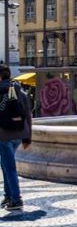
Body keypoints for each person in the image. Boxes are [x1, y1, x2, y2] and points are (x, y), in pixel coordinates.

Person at [0, 65, 32, 212]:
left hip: (4, 135)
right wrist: (28, 137)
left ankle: (16, 199)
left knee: (9, 167)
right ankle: (8, 195)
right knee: (6, 165)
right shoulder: (20, 91)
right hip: (19, 134)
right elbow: (28, 115)